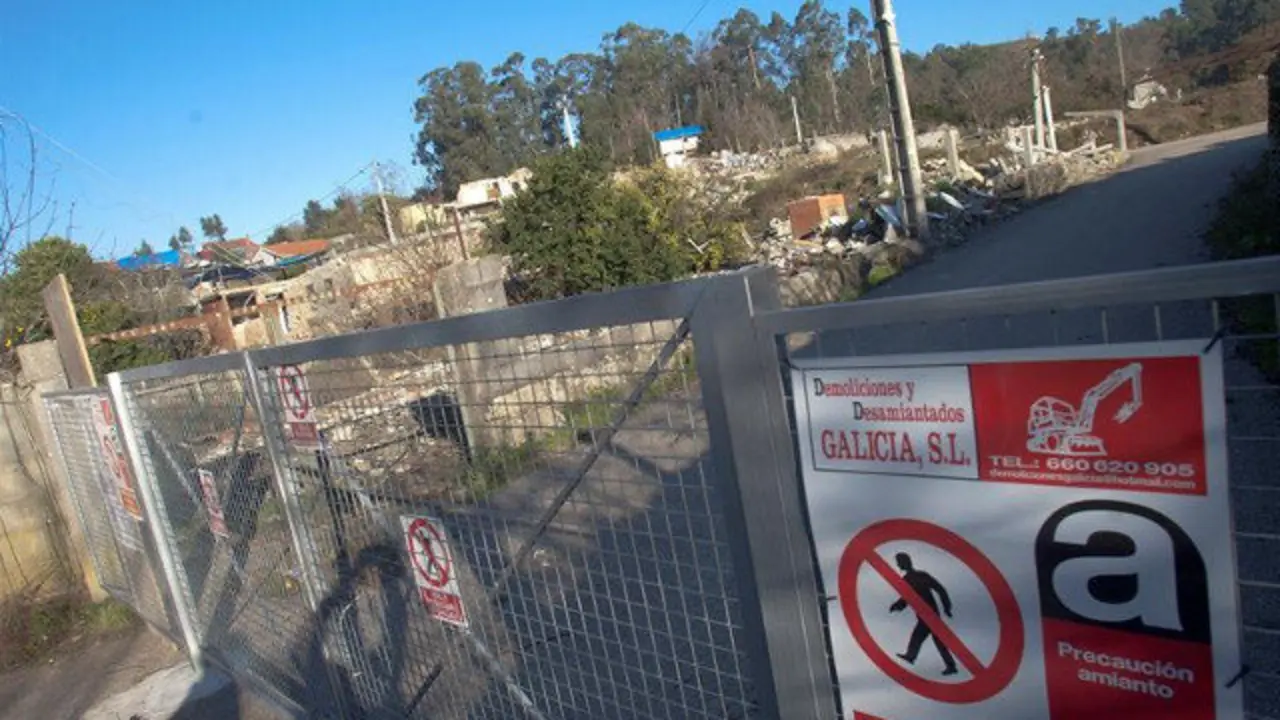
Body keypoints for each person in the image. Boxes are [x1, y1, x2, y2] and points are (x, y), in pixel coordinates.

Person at [889, 552, 958, 676]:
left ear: (905, 562)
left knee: (922, 637)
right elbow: (906, 598)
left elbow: (940, 589)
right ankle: (949, 665)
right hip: (925, 615)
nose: (898, 565)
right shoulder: (909, 579)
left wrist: (947, 607)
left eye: (899, 562)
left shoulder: (919, 576)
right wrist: (897, 606)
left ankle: (912, 656)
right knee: (936, 640)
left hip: (930, 615)